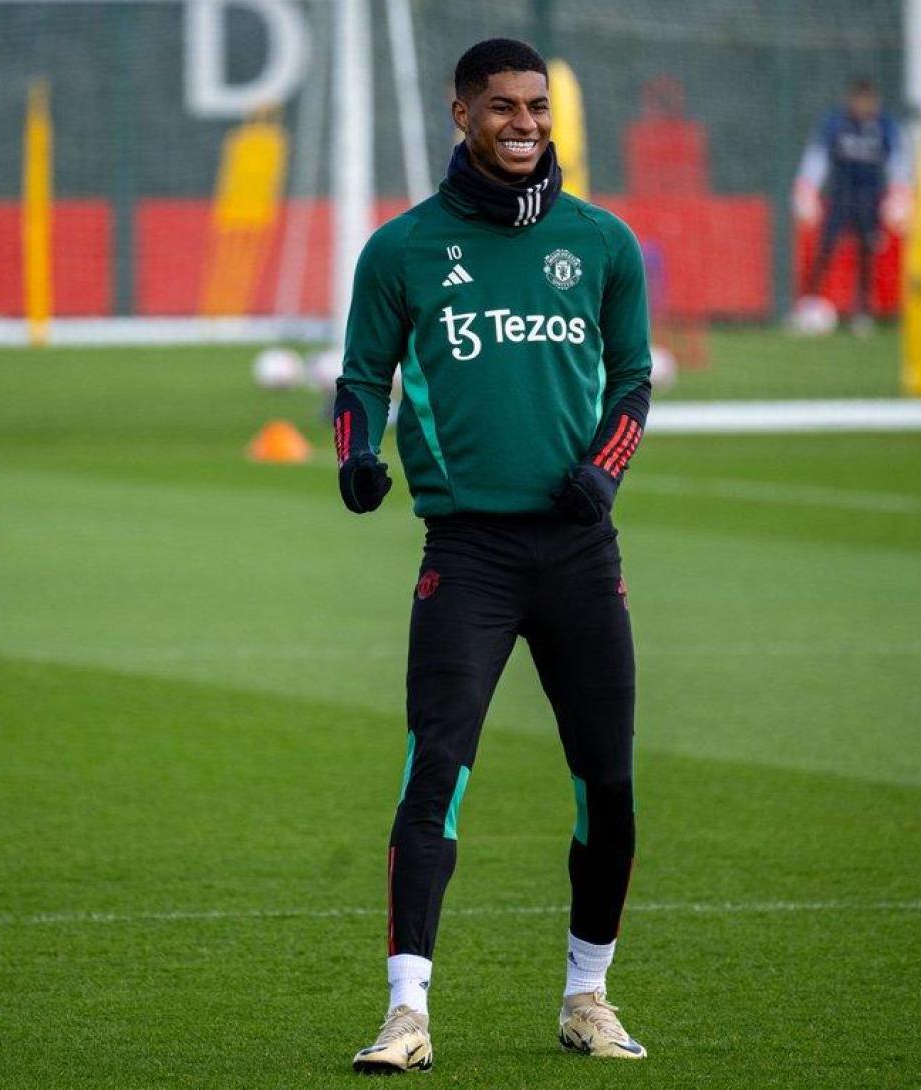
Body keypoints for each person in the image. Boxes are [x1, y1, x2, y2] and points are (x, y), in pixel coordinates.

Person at [332, 37, 652, 1075]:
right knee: (436, 773)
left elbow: (633, 381)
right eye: (503, 106)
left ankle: (586, 994)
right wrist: (355, 461)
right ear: (459, 112)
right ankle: (404, 1014)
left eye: (537, 106)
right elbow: (357, 384)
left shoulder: (600, 244)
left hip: (577, 551)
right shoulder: (399, 250)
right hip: (464, 553)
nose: (524, 123)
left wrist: (603, 469)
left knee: (605, 783)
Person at [791, 77, 911, 335]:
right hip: (840, 195)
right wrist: (807, 188)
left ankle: (863, 311)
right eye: (859, 100)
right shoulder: (836, 124)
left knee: (867, 253)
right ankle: (808, 302)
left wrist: (899, 194)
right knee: (826, 247)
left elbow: (898, 162)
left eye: (868, 100)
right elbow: (818, 157)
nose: (863, 105)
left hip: (870, 197)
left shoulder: (884, 126)